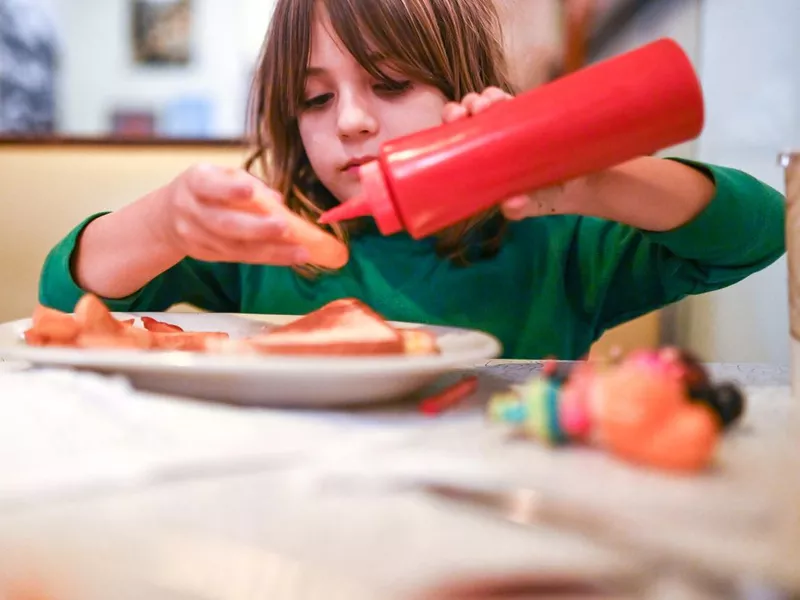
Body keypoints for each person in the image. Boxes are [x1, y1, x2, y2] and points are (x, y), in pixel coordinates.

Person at [38, 0, 785, 360]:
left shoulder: (555, 238)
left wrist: (585, 183)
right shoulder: (267, 240)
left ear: (459, 86)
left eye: (391, 85)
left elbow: (754, 232)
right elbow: (66, 295)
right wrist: (168, 223)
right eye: (316, 99)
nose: (353, 122)